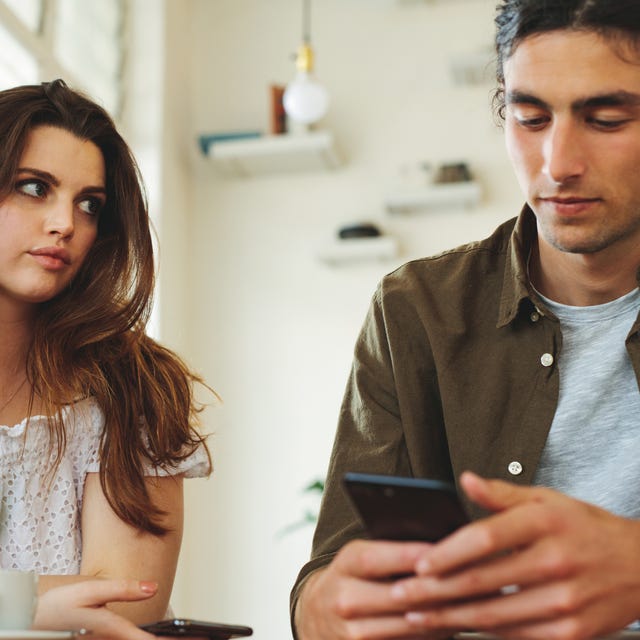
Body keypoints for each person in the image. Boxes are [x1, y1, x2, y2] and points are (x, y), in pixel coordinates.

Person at [291, 0, 640, 639]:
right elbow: (330, 577)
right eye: (529, 118)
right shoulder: (416, 309)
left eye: (607, 118)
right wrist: (325, 610)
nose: (558, 162)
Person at [0, 79, 212, 634]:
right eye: (33, 187)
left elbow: (126, 600)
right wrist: (38, 606)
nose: (65, 224)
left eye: (88, 204)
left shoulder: (135, 385)